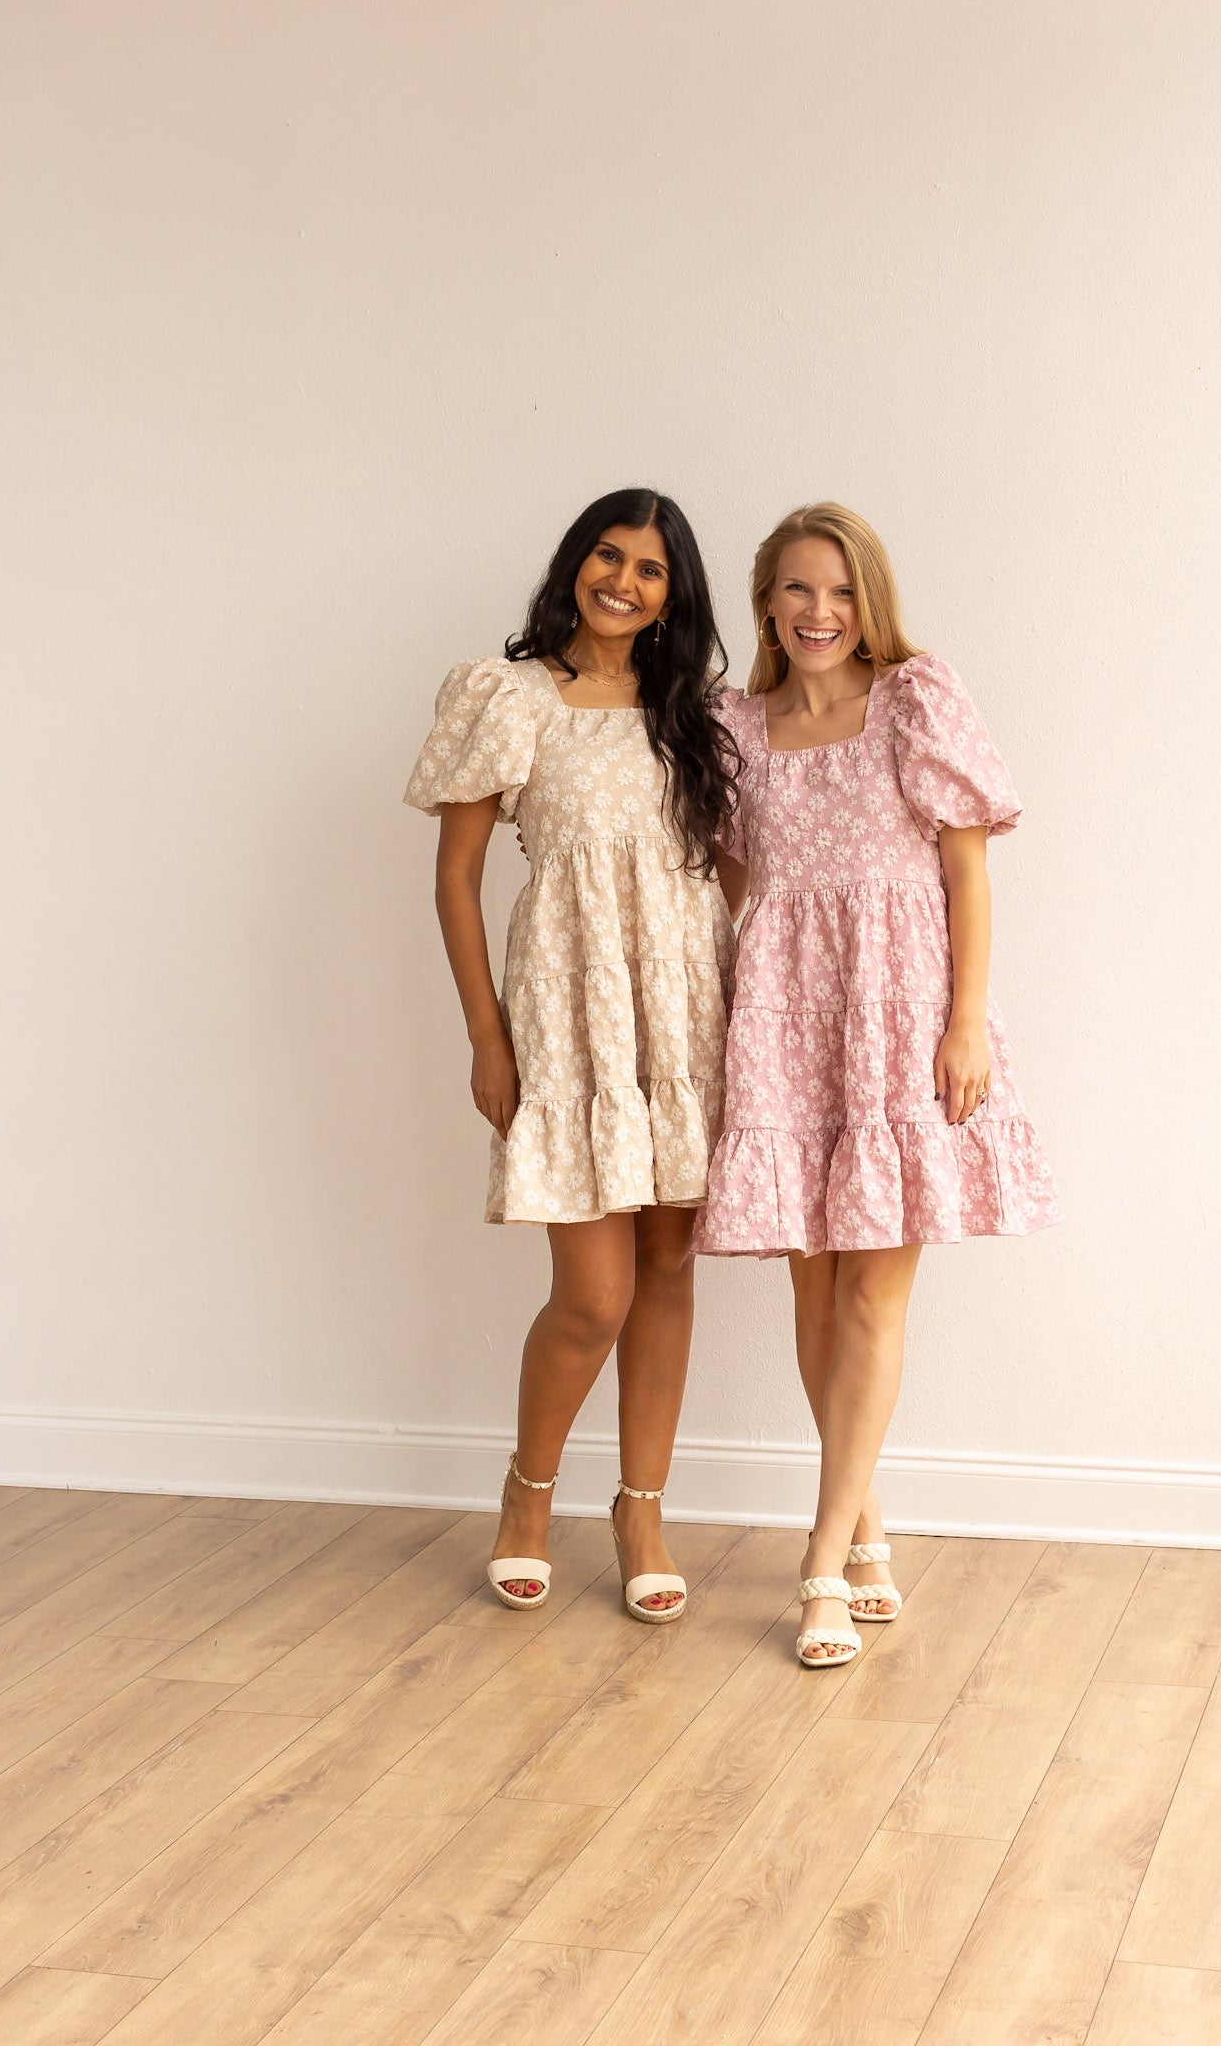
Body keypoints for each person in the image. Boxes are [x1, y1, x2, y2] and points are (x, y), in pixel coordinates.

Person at [696, 502, 1062, 1665]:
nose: (822, 611)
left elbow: (968, 872)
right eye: (800, 589)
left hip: (901, 1014)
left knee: (871, 1301)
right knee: (814, 1300)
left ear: (871, 602)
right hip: (785, 1022)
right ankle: (865, 1531)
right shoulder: (733, 728)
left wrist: (965, 1022)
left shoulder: (916, 699)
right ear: (767, 602)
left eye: (844, 590)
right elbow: (736, 882)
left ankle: (819, 1560)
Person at [405, 489, 739, 1622]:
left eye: (650, 569)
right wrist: (486, 1035)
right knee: (594, 1295)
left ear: (671, 597)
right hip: (568, 1011)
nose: (622, 582)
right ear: (573, 563)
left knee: (669, 1268)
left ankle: (641, 1511)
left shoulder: (694, 713)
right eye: (607, 555)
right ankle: (528, 1495)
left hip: (682, 1015)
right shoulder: (508, 696)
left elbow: (729, 870)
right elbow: (456, 880)